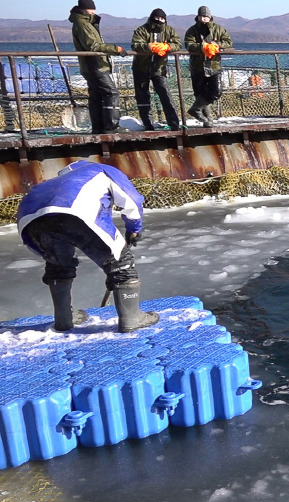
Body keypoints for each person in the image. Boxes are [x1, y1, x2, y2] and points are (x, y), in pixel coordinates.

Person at [16, 161, 159, 333]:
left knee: (58, 265)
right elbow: (131, 200)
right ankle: (131, 318)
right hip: (74, 212)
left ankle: (64, 319)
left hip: (31, 222)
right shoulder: (102, 170)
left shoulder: (51, 183)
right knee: (121, 264)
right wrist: (134, 228)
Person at [69, 0, 125, 134]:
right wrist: (115, 49)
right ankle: (111, 127)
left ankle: (98, 127)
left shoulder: (85, 23)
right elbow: (92, 46)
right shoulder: (83, 24)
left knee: (96, 96)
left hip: (91, 66)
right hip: (94, 65)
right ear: (84, 10)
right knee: (111, 93)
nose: (94, 12)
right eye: (91, 9)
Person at [131, 8, 182, 131]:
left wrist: (167, 46)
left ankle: (174, 123)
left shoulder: (169, 30)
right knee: (142, 96)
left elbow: (178, 43)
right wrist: (149, 47)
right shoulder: (141, 30)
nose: (159, 20)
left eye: (162, 18)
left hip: (159, 68)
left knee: (165, 94)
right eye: (157, 18)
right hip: (141, 68)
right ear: (152, 17)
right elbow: (135, 44)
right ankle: (147, 124)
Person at [184, 6, 232, 128]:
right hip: (197, 66)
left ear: (210, 17)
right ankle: (207, 120)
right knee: (200, 93)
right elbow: (188, 44)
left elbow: (228, 42)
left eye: (206, 16)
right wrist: (202, 47)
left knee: (215, 92)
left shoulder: (219, 29)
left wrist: (216, 45)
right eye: (201, 16)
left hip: (214, 65)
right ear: (198, 17)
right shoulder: (192, 30)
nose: (203, 19)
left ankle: (195, 109)